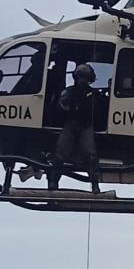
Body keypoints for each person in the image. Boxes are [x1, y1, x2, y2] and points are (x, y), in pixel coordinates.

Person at [50, 62, 102, 192]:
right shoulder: (69, 91)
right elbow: (60, 106)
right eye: (80, 77)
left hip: (86, 125)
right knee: (60, 152)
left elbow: (100, 111)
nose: (82, 81)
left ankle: (95, 184)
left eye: (85, 78)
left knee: (90, 154)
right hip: (70, 124)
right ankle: (53, 181)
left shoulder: (94, 94)